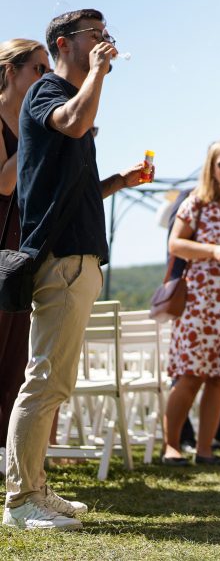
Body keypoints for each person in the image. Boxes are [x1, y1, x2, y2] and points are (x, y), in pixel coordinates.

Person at [4, 10, 150, 530]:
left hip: (77, 256)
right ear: (65, 43)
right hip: (61, 258)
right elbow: (74, 121)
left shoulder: (66, 96)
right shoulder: (48, 92)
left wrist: (119, 180)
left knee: (54, 383)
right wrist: (98, 73)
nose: (108, 41)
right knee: (44, 382)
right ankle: (21, 501)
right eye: (97, 34)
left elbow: (70, 186)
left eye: (109, 32)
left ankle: (36, 489)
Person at [160, 140, 220, 467]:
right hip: (198, 301)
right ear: (212, 168)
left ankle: (205, 450)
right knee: (190, 375)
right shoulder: (196, 203)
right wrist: (214, 251)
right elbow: (176, 243)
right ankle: (171, 446)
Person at [0, 40, 51, 480]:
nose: (46, 77)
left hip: (21, 256)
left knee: (17, 363)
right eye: (39, 68)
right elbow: (2, 183)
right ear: (12, 71)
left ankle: (10, 461)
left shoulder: (28, 121)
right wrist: (35, 136)